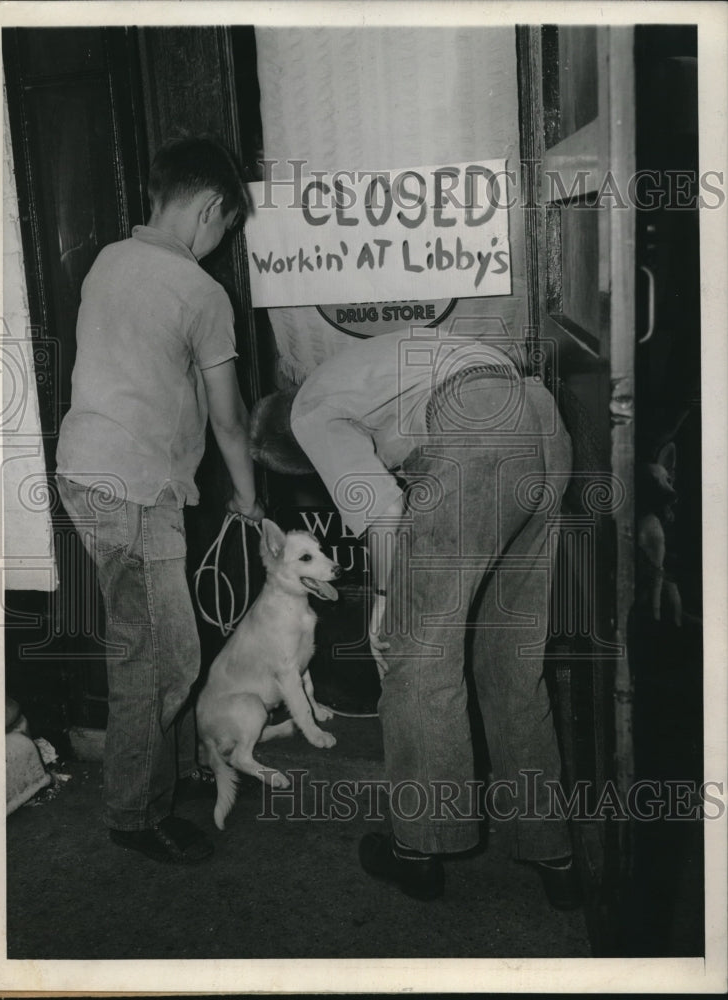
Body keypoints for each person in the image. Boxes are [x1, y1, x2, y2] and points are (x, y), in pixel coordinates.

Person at [288, 324, 581, 907]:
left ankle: (418, 852)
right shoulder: (378, 369)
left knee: (417, 658)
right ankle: (557, 857)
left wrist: (385, 604)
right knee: (509, 662)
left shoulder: (308, 412)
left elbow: (385, 509)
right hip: (541, 421)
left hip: (477, 427)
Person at [56, 136, 264, 865]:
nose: (219, 243)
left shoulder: (109, 260)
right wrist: (248, 499)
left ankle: (165, 779)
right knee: (163, 658)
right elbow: (229, 417)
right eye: (226, 228)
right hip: (134, 490)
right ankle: (134, 814)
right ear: (212, 208)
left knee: (148, 644)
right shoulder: (201, 293)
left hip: (84, 471)